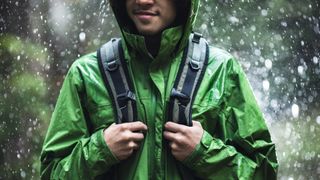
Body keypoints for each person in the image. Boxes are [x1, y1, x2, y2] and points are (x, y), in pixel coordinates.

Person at [40, 0, 278, 179]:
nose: (143, 1)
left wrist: (203, 152)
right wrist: (100, 150)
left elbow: (264, 171)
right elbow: (51, 173)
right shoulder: (86, 74)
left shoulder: (220, 70)